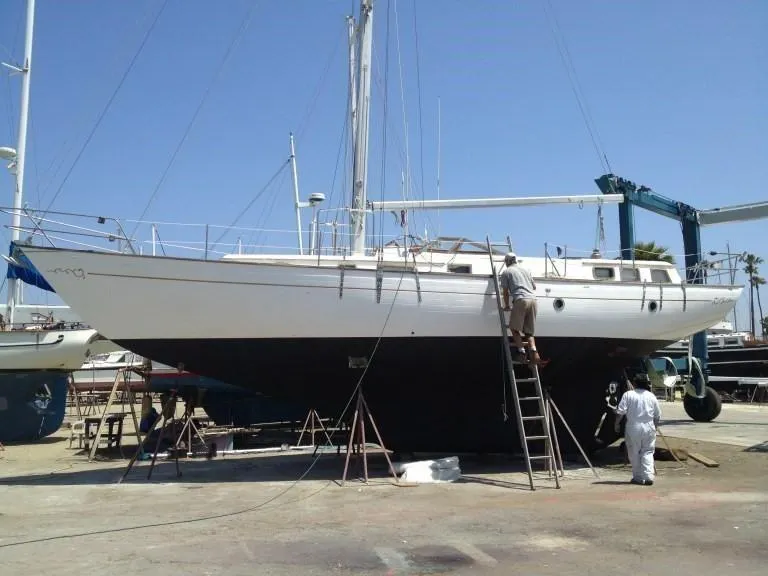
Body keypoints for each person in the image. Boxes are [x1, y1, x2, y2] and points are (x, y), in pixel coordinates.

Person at [614, 374, 662, 486]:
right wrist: (654, 427)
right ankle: (649, 476)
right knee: (648, 451)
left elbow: (620, 412)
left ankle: (638, 477)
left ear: (634, 383)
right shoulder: (651, 396)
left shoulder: (628, 395)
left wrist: (616, 424)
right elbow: (657, 415)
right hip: (649, 426)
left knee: (634, 452)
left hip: (633, 427)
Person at [500, 252, 540, 365]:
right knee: (529, 332)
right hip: (533, 300)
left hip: (521, 300)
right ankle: (534, 352)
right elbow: (534, 286)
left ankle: (522, 352)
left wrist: (507, 305)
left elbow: (505, 292)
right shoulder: (526, 270)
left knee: (514, 329)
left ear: (507, 261)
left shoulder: (507, 272)